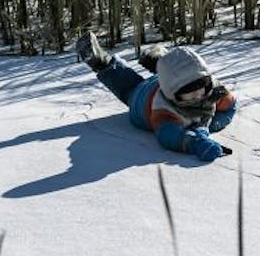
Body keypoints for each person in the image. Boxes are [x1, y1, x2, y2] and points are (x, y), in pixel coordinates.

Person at [76, 30, 237, 162]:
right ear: (173, 96)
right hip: (140, 99)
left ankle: (161, 60)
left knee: (176, 71)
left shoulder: (212, 90)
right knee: (127, 86)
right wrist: (195, 143)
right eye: (188, 94)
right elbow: (169, 135)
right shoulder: (164, 111)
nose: (197, 95)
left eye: (201, 88)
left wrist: (211, 125)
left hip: (167, 81)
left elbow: (230, 106)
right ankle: (100, 61)